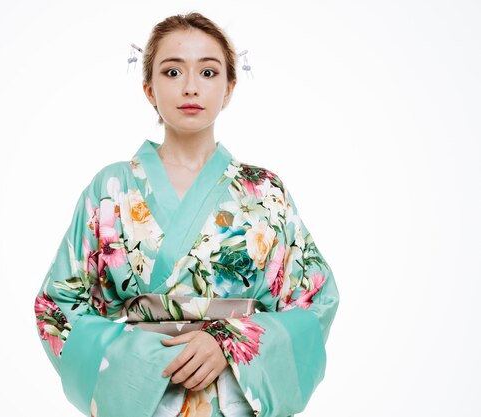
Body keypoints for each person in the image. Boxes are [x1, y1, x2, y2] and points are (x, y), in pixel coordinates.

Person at [34, 12, 339, 417]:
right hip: (146, 400)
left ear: (230, 87)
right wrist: (145, 358)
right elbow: (58, 305)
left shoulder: (264, 191)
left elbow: (314, 300)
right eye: (173, 71)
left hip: (234, 399)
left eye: (209, 73)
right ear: (149, 88)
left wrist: (229, 341)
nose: (191, 87)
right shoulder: (112, 188)